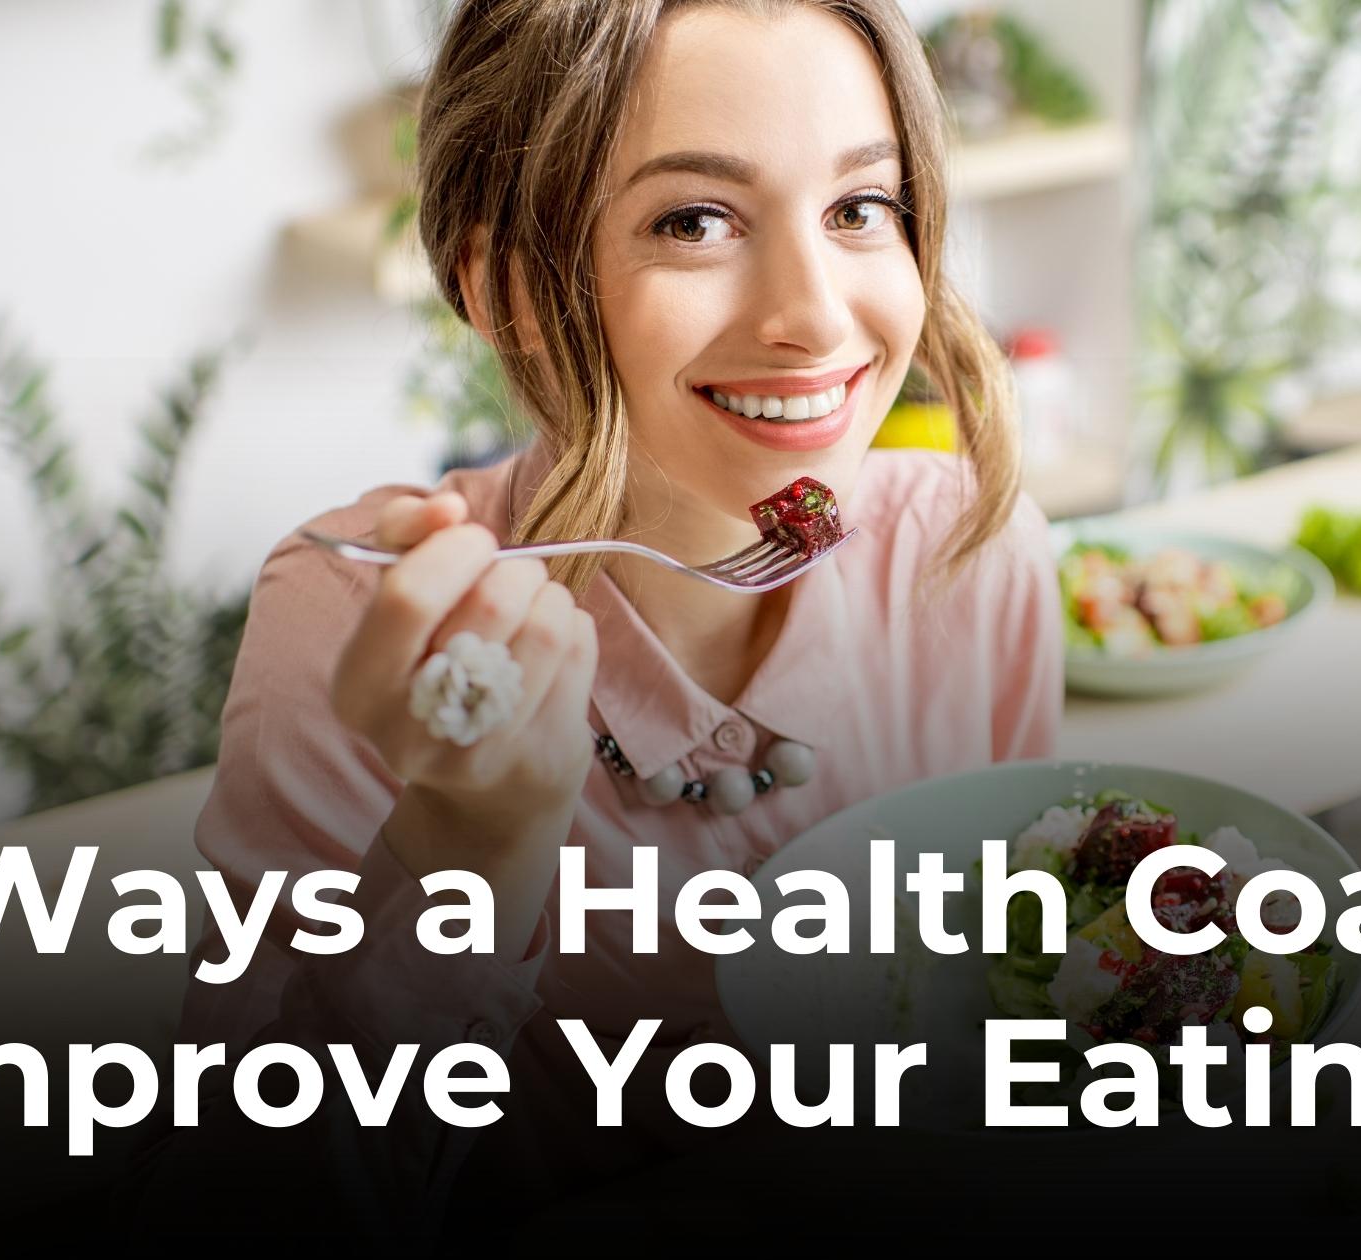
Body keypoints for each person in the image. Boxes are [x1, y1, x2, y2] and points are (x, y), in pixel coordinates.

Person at [128, 0, 1060, 1244]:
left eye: (858, 210)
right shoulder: (365, 621)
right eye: (695, 220)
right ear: (504, 285)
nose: (819, 316)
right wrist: (464, 853)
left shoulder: (968, 553)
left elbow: (1017, 1007)